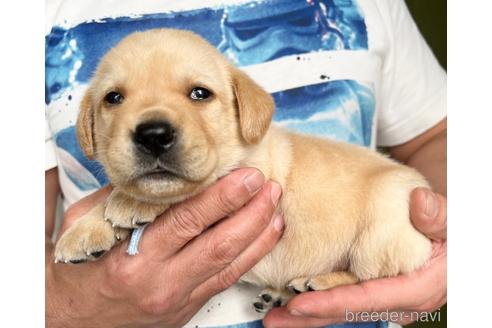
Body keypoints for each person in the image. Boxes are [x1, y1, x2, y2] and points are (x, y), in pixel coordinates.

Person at [45, 0, 447, 327]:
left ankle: (345, 274)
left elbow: (437, 136)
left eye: (199, 93)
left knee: (390, 201)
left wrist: (459, 252)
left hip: (370, 216)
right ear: (89, 125)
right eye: (115, 98)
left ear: (246, 110)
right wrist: (64, 309)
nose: (154, 128)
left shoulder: (257, 158)